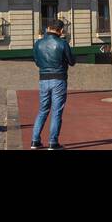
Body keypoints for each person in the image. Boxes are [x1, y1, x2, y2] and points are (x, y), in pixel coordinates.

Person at [31, 19, 76, 150]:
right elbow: (72, 61)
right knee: (56, 111)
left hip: (43, 79)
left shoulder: (38, 43)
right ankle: (53, 142)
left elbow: (37, 61)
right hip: (59, 79)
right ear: (61, 31)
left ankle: (35, 141)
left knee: (42, 110)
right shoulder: (62, 43)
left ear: (49, 28)